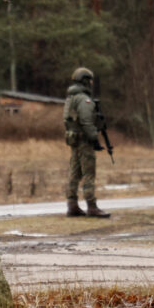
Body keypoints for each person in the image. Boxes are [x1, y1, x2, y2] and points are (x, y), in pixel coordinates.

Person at [63, 67, 111, 218]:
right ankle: (92, 206)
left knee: (74, 173)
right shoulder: (84, 99)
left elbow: (69, 120)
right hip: (84, 141)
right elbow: (86, 122)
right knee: (89, 173)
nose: (91, 82)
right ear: (85, 80)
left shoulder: (71, 98)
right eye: (89, 79)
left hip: (74, 139)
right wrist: (94, 138)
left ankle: (72, 205)